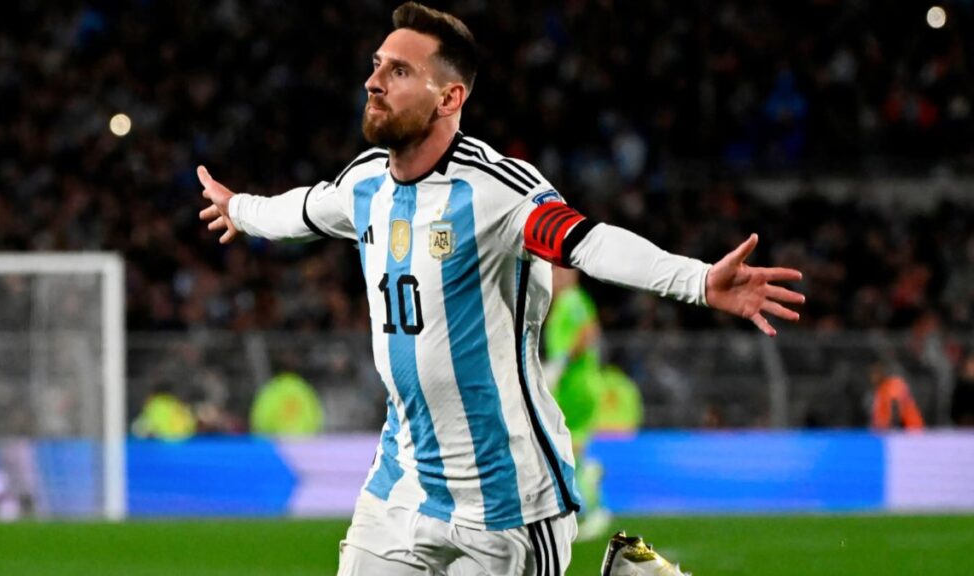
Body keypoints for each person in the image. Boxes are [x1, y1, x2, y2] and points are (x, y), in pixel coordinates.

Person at [198, 3, 804, 574]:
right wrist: (240, 210)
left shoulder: (496, 190)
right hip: (402, 480)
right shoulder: (365, 186)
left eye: (399, 70)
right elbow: (299, 210)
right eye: (376, 65)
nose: (374, 81)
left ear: (450, 97)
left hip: (509, 493)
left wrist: (697, 280)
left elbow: (586, 242)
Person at [543, 266, 610, 541]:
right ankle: (587, 477)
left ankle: (595, 509)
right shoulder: (561, 304)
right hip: (570, 387)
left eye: (559, 273)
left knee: (569, 447)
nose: (554, 278)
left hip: (578, 388)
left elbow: (589, 331)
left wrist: (563, 362)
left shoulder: (572, 300)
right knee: (564, 448)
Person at [250, 371, 325, 437]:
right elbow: (316, 416)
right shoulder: (303, 389)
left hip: (276, 445)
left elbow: (260, 419)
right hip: (303, 445)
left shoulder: (270, 390)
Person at [131, 383, 196, 441]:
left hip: (162, 437)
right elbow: (190, 423)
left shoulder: (154, 404)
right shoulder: (177, 403)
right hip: (182, 438)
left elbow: (149, 423)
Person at [869, 363, 925, 431]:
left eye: (876, 373)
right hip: (888, 431)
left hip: (910, 431)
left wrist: (891, 429)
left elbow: (895, 407)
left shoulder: (893, 384)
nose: (873, 377)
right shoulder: (881, 388)